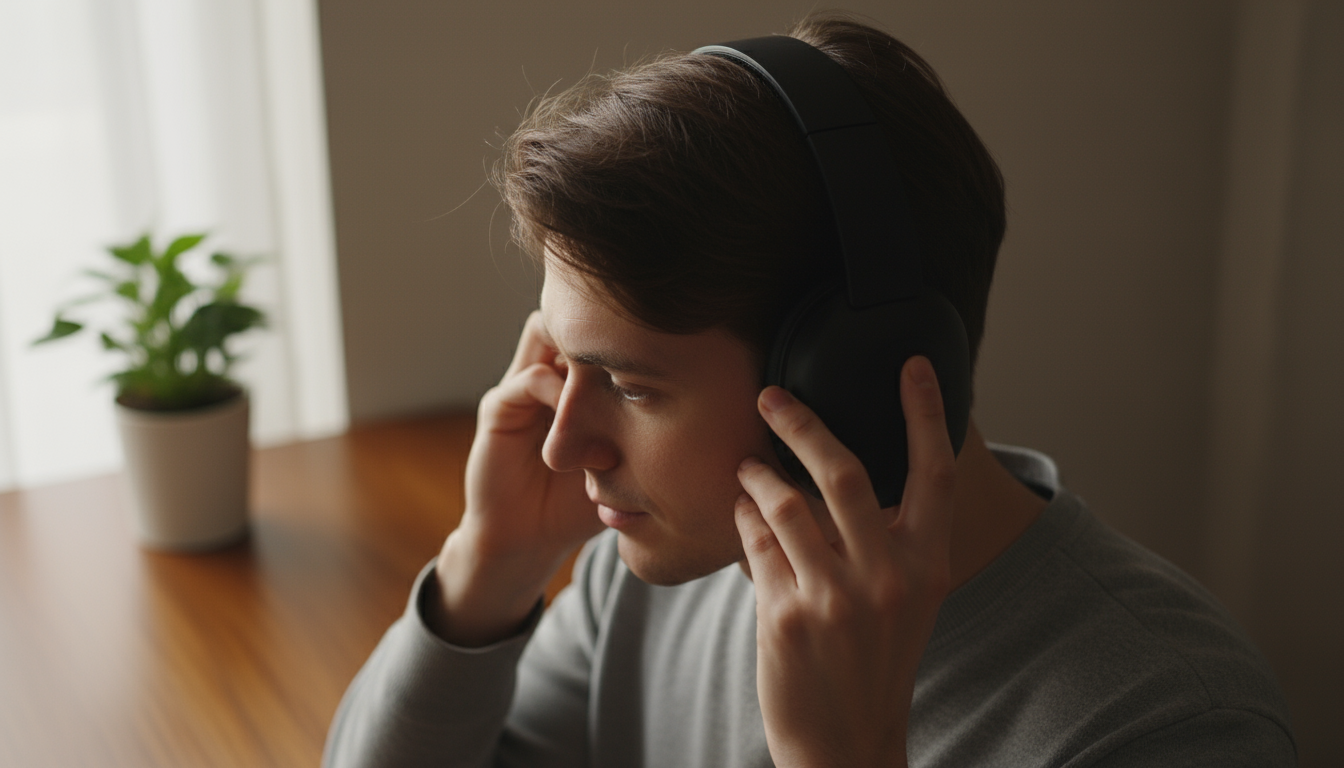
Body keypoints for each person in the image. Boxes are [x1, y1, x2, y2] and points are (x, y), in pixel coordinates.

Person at [323, 13, 1295, 767]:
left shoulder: (1170, 724)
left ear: (849, 390)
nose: (561, 444)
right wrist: (484, 573)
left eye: (628, 382)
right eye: (563, 363)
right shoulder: (653, 571)